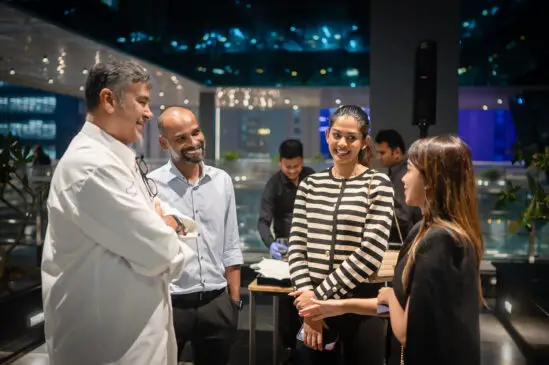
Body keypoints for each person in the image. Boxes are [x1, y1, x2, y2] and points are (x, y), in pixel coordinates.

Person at [41, 60, 192, 365]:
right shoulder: (92, 166)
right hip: (109, 348)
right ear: (109, 100)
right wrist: (166, 232)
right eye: (142, 102)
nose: (149, 113)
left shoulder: (115, 158)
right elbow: (162, 252)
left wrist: (164, 225)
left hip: (131, 339)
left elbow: (158, 228)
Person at [302, 136, 483, 365]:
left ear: (430, 179)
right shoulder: (426, 231)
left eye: (409, 170)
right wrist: (331, 307)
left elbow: (406, 329)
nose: (404, 179)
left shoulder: (440, 241)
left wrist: (388, 294)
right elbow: (400, 305)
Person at [288, 105, 394, 365]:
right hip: (313, 303)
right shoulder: (310, 184)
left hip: (361, 305)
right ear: (327, 136)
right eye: (336, 135)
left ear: (364, 142)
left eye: (351, 137)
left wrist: (318, 301)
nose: (342, 143)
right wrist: (308, 297)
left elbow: (370, 253)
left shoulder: (378, 183)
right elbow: (296, 246)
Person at [148, 106, 244, 365]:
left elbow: (231, 245)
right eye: (181, 138)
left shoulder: (222, 180)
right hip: (170, 305)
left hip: (217, 303)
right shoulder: (150, 186)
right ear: (163, 142)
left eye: (196, 132)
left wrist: (233, 303)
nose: (193, 142)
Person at [257, 138, 315, 362]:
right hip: (286, 250)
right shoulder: (274, 184)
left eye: (296, 166)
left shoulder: (312, 178)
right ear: (280, 162)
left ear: (302, 161)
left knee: (310, 300)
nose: (292, 171)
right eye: (287, 166)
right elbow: (263, 221)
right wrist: (271, 243)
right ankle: (288, 349)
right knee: (287, 304)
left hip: (312, 251)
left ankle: (311, 348)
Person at [375, 129, 422, 241]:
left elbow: (403, 216)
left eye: (382, 153)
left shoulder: (403, 175)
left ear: (396, 152)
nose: (379, 157)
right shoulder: (396, 172)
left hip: (405, 238)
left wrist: (375, 214)